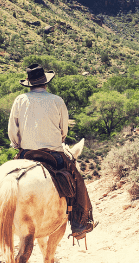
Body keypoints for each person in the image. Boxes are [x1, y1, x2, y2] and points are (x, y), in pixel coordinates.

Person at [7, 64, 95, 239]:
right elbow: (64, 130)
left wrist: (18, 145)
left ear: (29, 84)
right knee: (76, 178)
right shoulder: (57, 100)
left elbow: (12, 130)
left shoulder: (20, 100)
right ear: (46, 83)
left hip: (26, 153)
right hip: (54, 153)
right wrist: (59, 140)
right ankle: (80, 224)